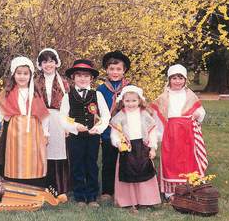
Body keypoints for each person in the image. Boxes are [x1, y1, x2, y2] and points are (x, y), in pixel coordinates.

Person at [0, 56, 49, 187]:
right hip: (15, 128)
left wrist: (46, 133)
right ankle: (16, 181)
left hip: (33, 129)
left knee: (32, 156)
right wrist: (5, 114)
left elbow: (43, 115)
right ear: (13, 74)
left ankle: (33, 182)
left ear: (30, 75)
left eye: (25, 74)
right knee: (16, 155)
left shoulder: (35, 93)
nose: (22, 77)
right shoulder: (9, 92)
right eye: (19, 73)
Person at [150, 64, 207, 200]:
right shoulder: (163, 97)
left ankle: (191, 187)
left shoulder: (190, 95)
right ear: (169, 80)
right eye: (174, 78)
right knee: (171, 161)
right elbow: (157, 117)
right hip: (171, 132)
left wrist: (197, 114)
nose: (177, 81)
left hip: (187, 133)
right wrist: (158, 135)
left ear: (185, 80)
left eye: (180, 78)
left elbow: (200, 110)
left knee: (188, 159)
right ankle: (171, 192)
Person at [60, 59, 111, 207]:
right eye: (79, 75)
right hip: (75, 137)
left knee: (92, 164)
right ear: (73, 78)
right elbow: (63, 117)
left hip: (92, 137)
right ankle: (80, 196)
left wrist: (98, 128)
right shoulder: (67, 96)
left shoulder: (97, 95)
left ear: (91, 78)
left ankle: (92, 196)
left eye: (86, 76)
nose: (83, 78)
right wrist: (75, 126)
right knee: (77, 165)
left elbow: (106, 116)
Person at [110, 85, 161, 213]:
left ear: (140, 101)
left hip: (142, 147)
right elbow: (114, 134)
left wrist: (153, 147)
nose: (131, 103)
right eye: (127, 101)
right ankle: (128, 200)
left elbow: (152, 132)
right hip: (127, 148)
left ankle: (146, 200)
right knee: (127, 173)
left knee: (145, 172)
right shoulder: (119, 116)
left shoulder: (144, 115)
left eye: (134, 100)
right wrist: (118, 143)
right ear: (122, 101)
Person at [35, 48, 71, 194]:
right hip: (40, 116)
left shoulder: (63, 82)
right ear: (40, 64)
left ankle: (59, 186)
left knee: (58, 150)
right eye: (45, 62)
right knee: (43, 150)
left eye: (51, 61)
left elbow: (68, 104)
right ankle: (42, 185)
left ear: (56, 63)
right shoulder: (35, 81)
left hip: (58, 117)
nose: (48, 65)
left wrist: (68, 125)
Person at [97, 50, 131, 201]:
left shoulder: (130, 89)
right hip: (107, 131)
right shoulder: (101, 89)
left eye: (118, 69)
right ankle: (107, 190)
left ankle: (123, 190)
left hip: (126, 131)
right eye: (111, 69)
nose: (115, 72)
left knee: (126, 160)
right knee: (108, 161)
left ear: (124, 71)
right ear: (106, 70)